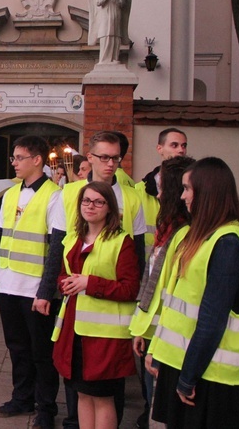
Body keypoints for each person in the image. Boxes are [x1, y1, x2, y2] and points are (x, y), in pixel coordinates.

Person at [149, 157, 239, 429]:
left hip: (211, 377)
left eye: (188, 189)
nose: (183, 196)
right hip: (188, 366)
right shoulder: (201, 236)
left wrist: (188, 378)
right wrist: (160, 352)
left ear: (207, 192)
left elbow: (212, 320)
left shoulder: (228, 243)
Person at [43, 131, 146, 427]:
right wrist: (57, 286)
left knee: (104, 397)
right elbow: (60, 260)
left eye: (98, 203)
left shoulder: (120, 239)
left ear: (110, 208)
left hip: (106, 332)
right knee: (81, 395)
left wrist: (89, 283)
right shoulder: (77, 232)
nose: (90, 206)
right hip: (75, 326)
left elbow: (131, 283)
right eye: (87, 202)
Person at [0, 135, 61, 429]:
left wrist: (45, 291)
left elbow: (57, 246)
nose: (13, 162)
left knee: (42, 352)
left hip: (36, 290)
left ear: (37, 160)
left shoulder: (55, 195)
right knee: (16, 347)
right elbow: (1, 237)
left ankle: (46, 408)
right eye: (14, 157)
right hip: (9, 284)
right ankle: (22, 398)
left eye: (19, 157)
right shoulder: (11, 193)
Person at [129, 155, 194, 428]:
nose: (158, 192)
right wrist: (143, 329)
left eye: (162, 186)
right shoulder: (168, 227)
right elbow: (151, 279)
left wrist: (154, 340)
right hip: (154, 333)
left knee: (163, 413)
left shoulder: (184, 232)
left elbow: (171, 292)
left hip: (167, 340)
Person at [136, 128, 188, 261]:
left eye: (184, 145)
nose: (181, 150)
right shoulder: (139, 190)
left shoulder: (194, 186)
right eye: (174, 145)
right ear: (160, 149)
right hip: (147, 263)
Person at [89, 0, 129, 64]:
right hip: (105, 15)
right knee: (105, 34)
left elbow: (123, 3)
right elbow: (98, 3)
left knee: (115, 34)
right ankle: (104, 59)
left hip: (115, 14)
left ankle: (114, 58)